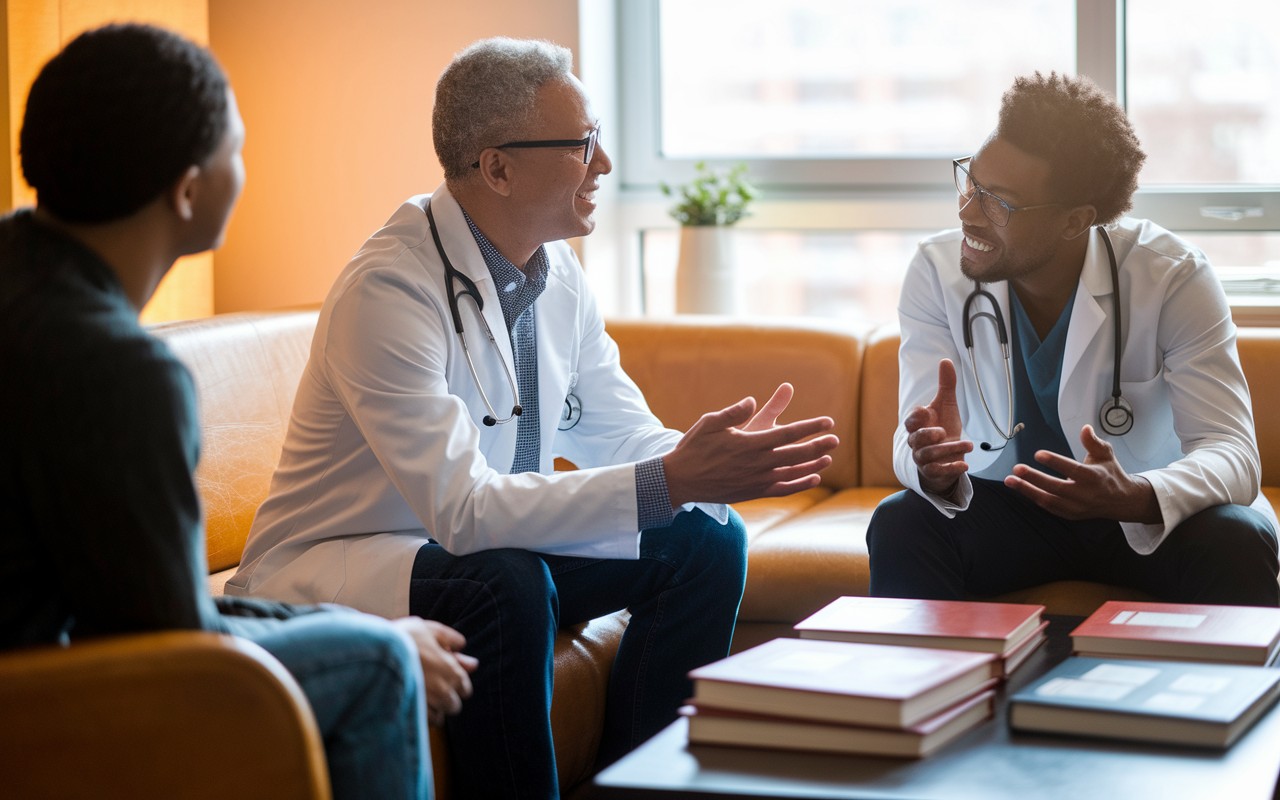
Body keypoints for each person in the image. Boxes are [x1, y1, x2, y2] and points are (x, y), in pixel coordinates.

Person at [226, 37, 838, 799]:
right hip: (343, 564)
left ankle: (642, 788)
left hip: (478, 550)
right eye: (583, 145)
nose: (605, 165)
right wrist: (667, 478)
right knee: (502, 583)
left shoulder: (557, 273)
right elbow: (463, 510)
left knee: (707, 537)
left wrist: (704, 462)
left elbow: (619, 430)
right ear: (499, 168)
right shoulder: (389, 288)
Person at [0, 25, 476, 800]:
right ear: (188, 191)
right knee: (380, 668)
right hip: (39, 702)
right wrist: (379, 639)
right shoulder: (118, 372)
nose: (247, 168)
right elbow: (177, 646)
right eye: (238, 147)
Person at [866, 72, 1279, 607]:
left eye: (999, 202)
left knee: (1237, 538)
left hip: (1136, 505)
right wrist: (932, 468)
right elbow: (913, 439)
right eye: (971, 181)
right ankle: (918, 691)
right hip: (1011, 507)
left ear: (1076, 220)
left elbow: (1235, 454)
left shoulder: (1172, 275)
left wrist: (1135, 495)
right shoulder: (936, 270)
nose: (967, 211)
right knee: (902, 522)